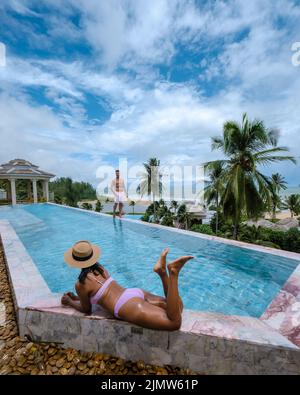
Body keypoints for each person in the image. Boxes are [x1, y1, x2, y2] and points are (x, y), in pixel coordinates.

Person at [61, 240, 193, 331]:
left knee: (174, 322)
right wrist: (77, 298)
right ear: (91, 256)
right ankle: (162, 272)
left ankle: (173, 273)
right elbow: (97, 294)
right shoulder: (100, 268)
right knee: (177, 307)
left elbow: (87, 309)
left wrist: (69, 301)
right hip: (132, 293)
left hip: (126, 306)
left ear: (76, 262)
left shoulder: (81, 284)